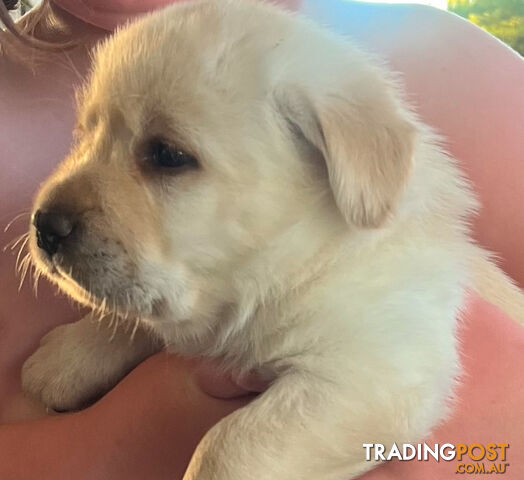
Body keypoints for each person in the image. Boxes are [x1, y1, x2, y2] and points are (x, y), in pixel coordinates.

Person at [0, 0, 522, 479]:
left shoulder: (375, 276)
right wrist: (124, 378)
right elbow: (209, 301)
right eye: (85, 135)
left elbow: (392, 390)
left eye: (166, 156)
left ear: (335, 165)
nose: (56, 210)